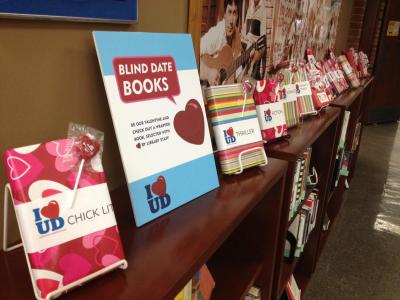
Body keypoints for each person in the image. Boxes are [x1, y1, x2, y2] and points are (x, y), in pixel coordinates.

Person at [200, 0, 242, 86]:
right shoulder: (215, 34)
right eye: (229, 12)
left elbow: (238, 75)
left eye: (234, 13)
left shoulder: (237, 36)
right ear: (224, 15)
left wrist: (250, 62)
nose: (231, 20)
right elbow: (192, 54)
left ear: (238, 16)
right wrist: (208, 73)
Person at [241, 0, 266, 79]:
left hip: (255, 47)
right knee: (243, 74)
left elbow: (263, 35)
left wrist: (257, 51)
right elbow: (245, 27)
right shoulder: (250, 7)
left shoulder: (262, 9)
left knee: (252, 76)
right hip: (246, 46)